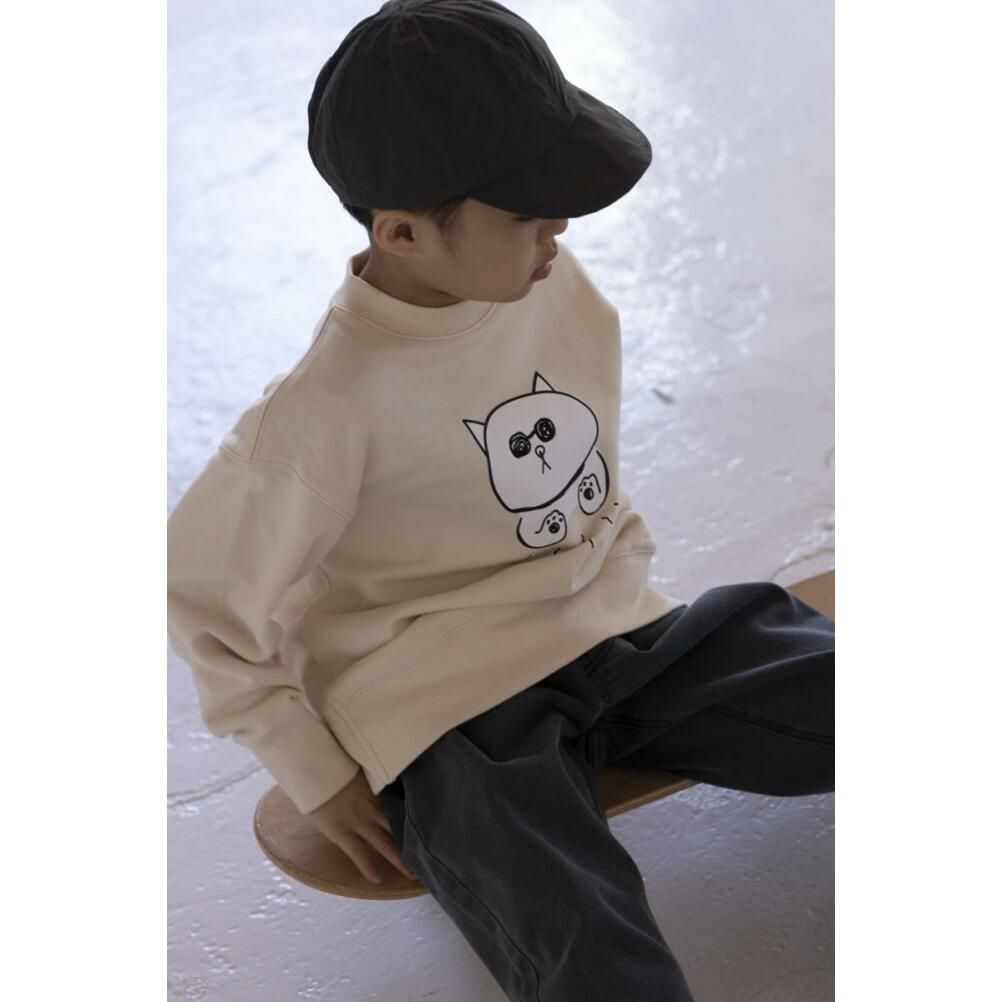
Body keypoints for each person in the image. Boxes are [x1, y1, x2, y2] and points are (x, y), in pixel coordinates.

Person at [166, 2, 834, 999]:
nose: (558, 226)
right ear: (402, 232)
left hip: (614, 637)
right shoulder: (318, 415)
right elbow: (202, 598)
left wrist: (609, 575)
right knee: (583, 939)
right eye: (527, 211)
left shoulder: (543, 280)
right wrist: (315, 768)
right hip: (450, 715)